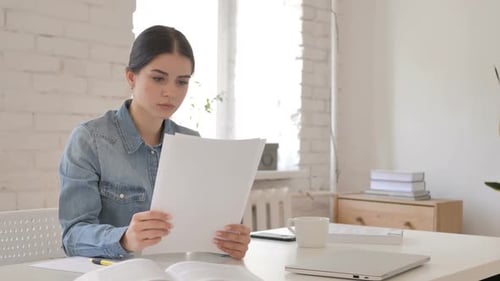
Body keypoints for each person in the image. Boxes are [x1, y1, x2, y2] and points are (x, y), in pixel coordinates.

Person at [58, 25, 251, 260]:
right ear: (131, 77)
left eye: (181, 82)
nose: (170, 92)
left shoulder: (192, 142)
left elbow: (203, 232)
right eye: (159, 78)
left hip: (177, 271)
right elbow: (73, 237)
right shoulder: (90, 140)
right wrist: (125, 238)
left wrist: (230, 244)